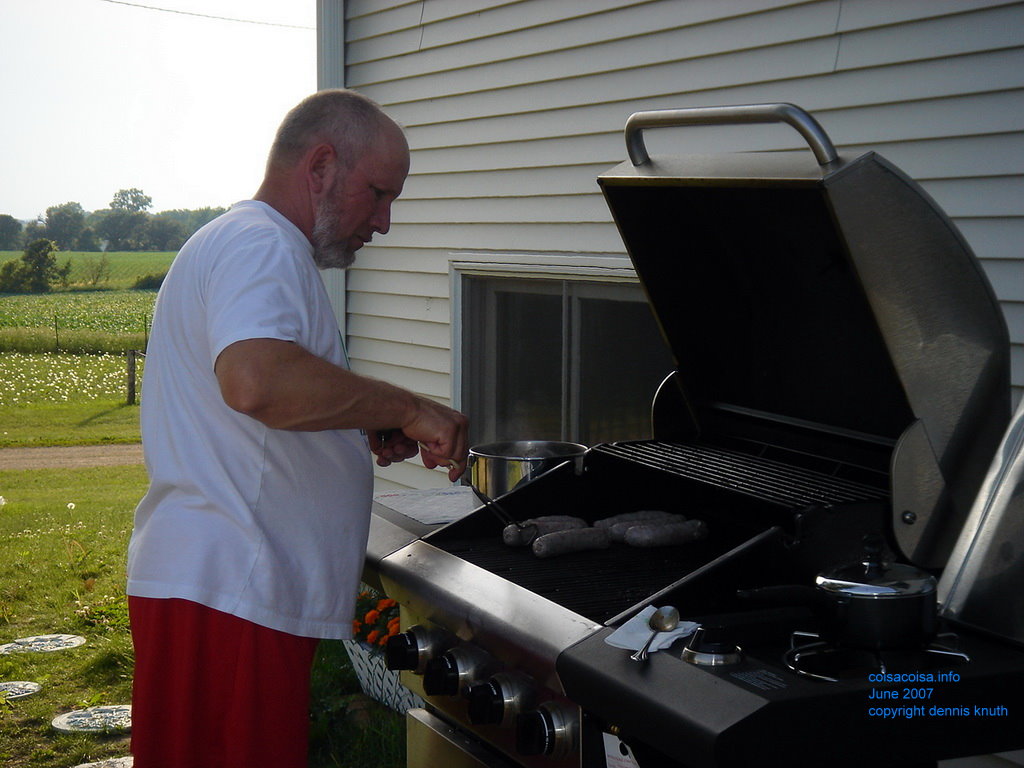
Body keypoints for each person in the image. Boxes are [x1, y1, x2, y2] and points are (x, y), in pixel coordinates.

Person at [126, 89, 468, 768]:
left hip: (222, 593)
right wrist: (404, 407)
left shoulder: (243, 243)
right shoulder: (263, 246)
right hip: (232, 594)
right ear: (319, 167)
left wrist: (357, 423)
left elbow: (261, 402)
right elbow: (256, 381)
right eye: (377, 193)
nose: (385, 221)